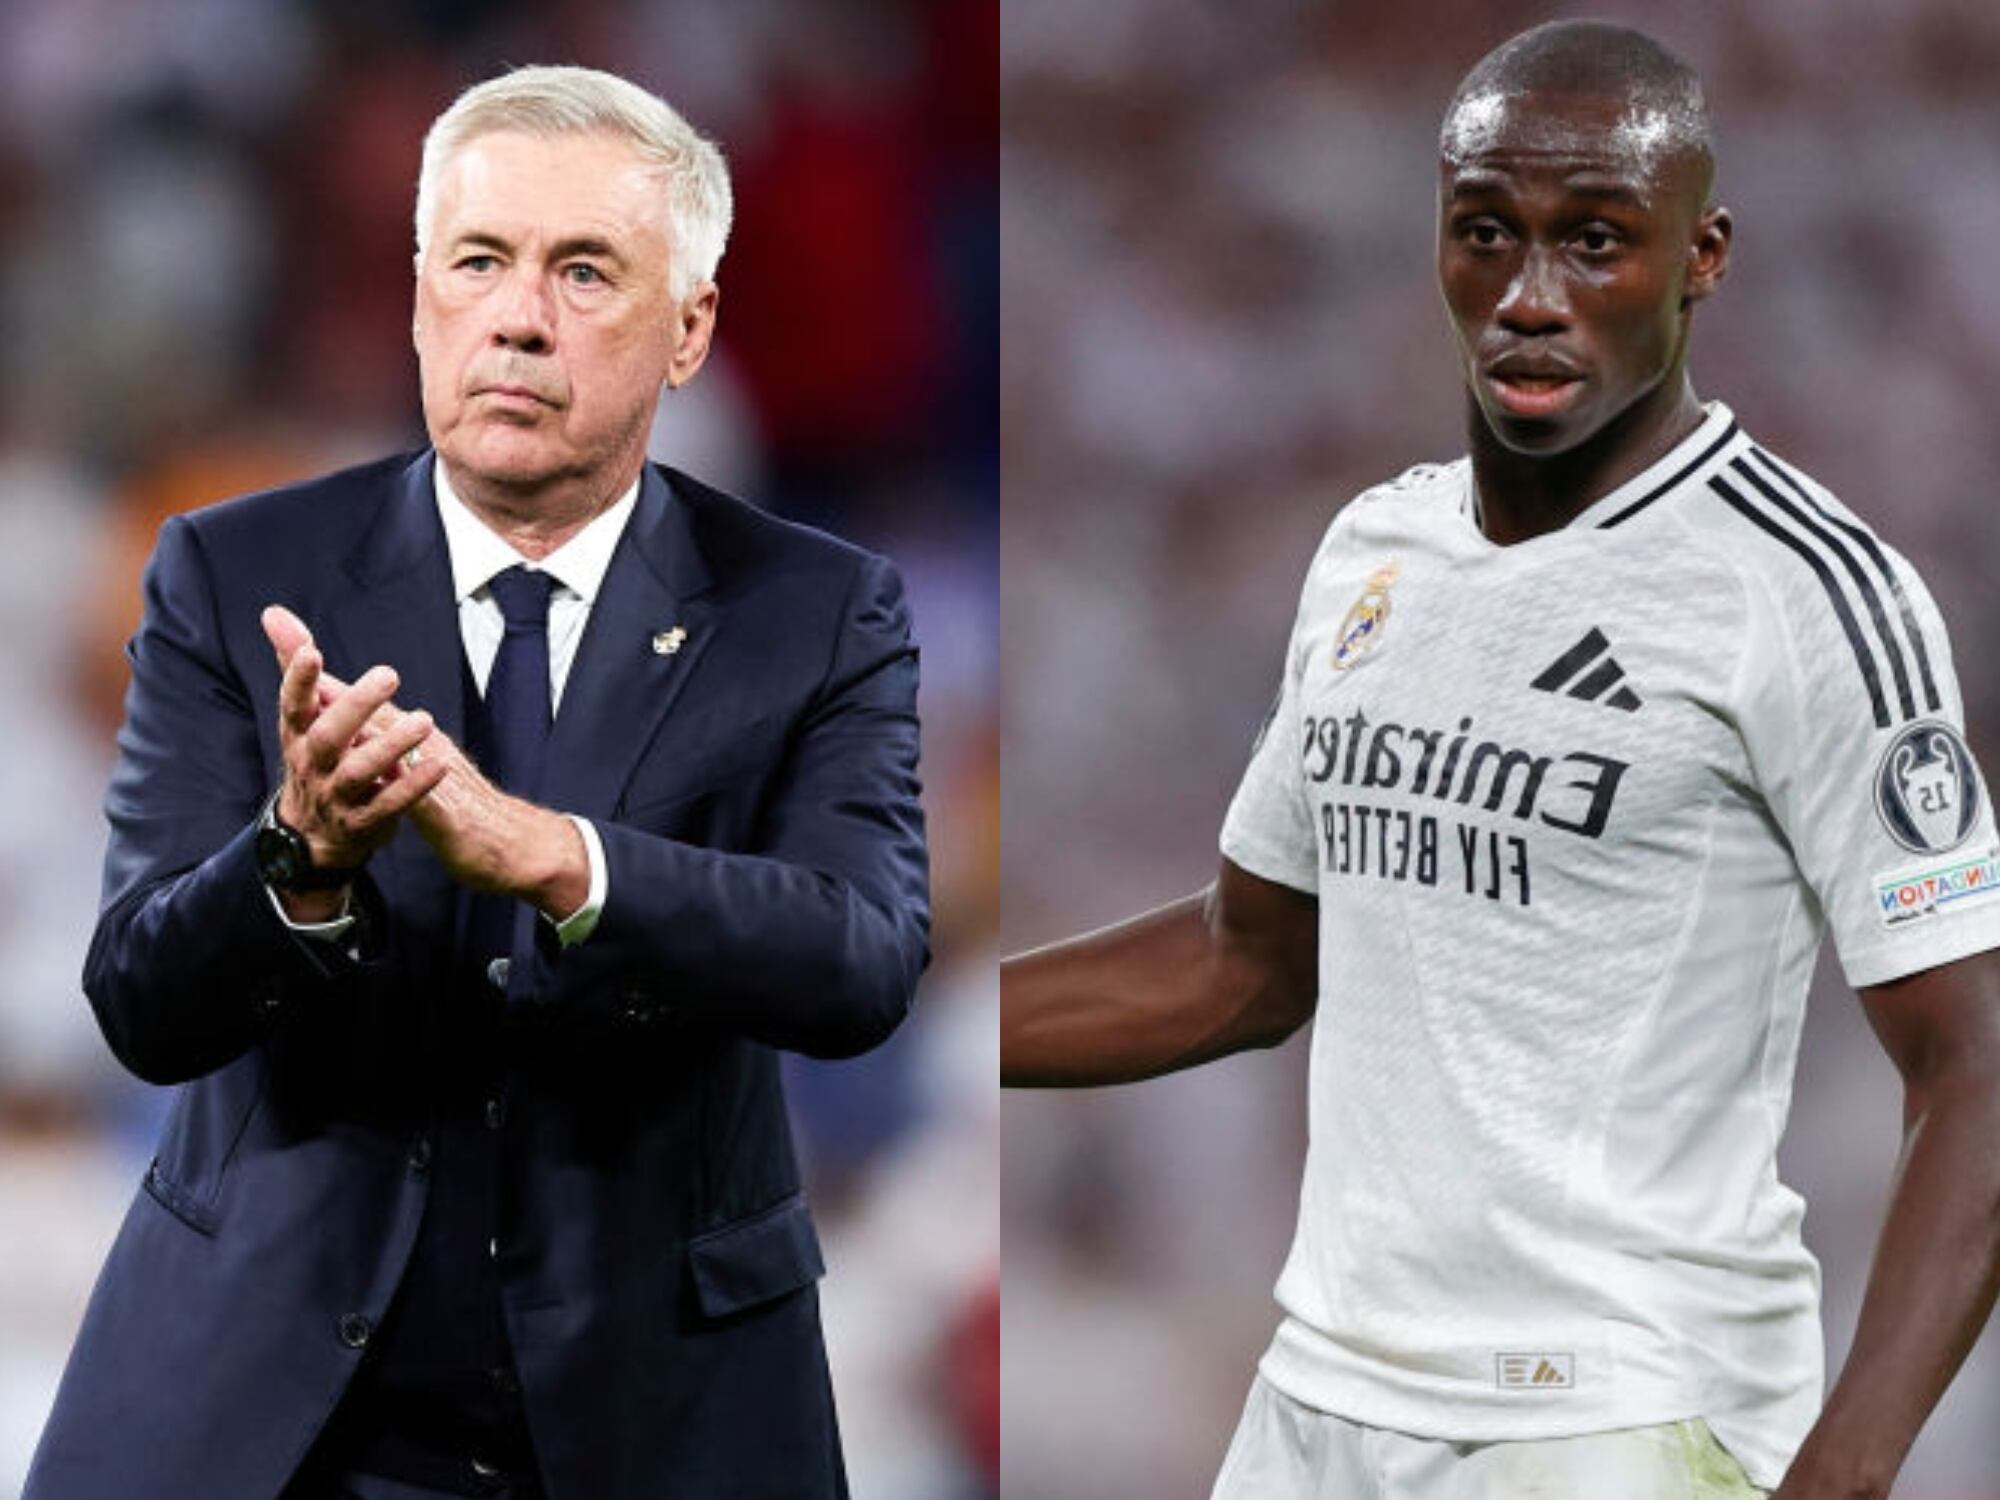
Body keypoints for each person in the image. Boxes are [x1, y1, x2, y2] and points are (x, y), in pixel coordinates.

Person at [1002, 21, 2000, 1500]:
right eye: (1489, 235)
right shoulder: (1371, 553)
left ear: (1701, 255)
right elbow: (1252, 960)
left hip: (1615, 1416)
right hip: (1319, 1400)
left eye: (1596, 242)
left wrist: (1847, 1467)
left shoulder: (1803, 592)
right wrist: (887, 1005)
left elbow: (1974, 1059)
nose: (1532, 298)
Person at [28, 65, 929, 1500]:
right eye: (479, 262)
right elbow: (140, 997)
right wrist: (295, 860)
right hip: (272, 1415)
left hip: (656, 1419)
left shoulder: (814, 610)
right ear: (417, 301)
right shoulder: (236, 572)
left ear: (690, 327)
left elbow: (861, 956)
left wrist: (568, 862)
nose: (518, 317)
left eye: (585, 272)